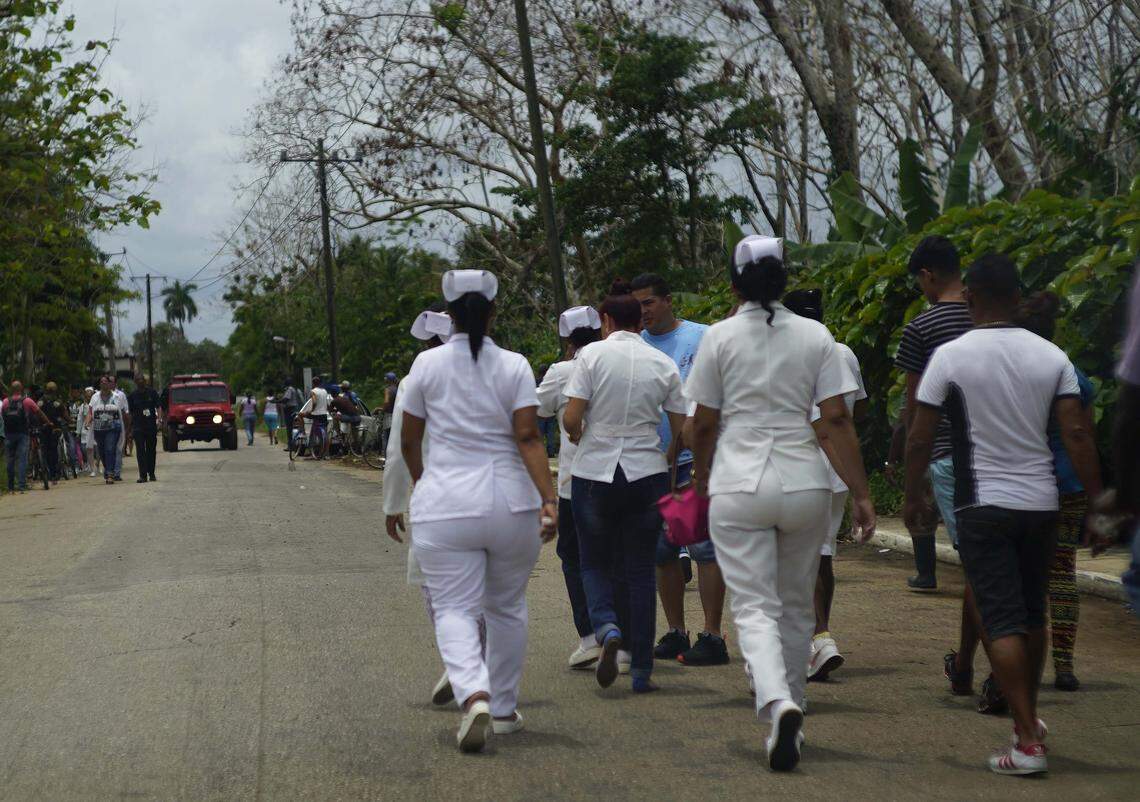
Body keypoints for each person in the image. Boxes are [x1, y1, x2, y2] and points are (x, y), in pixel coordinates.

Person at [904, 254, 1102, 776]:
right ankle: (1028, 725)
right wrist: (1101, 499)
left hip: (981, 503)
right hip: (1041, 502)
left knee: (1000, 619)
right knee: (1031, 612)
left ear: (970, 296)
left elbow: (921, 434)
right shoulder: (1052, 355)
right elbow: (1077, 434)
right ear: (1018, 297)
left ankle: (1027, 737)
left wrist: (913, 493)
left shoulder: (950, 356)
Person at [686, 236, 875, 772]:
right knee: (796, 603)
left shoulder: (719, 337)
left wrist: (700, 474)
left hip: (739, 483)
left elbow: (700, 422)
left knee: (753, 606)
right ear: (784, 280)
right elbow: (836, 419)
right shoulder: (817, 335)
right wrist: (861, 494)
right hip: (804, 482)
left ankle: (777, 701)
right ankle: (794, 706)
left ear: (734, 284)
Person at [401, 269, 557, 753]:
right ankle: (506, 709)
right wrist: (549, 499)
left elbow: (408, 439)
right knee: (506, 607)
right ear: (492, 312)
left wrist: (425, 483)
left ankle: (474, 693)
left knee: (453, 606)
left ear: (448, 315)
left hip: (446, 501)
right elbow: (529, 437)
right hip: (511, 503)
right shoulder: (515, 364)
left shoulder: (424, 368)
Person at [563, 280, 687, 694]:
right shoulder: (661, 363)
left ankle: (606, 625)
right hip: (646, 470)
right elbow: (680, 426)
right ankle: (641, 670)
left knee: (593, 561)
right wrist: (667, 463)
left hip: (596, 471)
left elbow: (571, 416)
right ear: (640, 321)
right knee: (639, 570)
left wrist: (580, 432)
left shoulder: (591, 355)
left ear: (606, 321)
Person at [896, 237, 1000, 710]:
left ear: (927, 276)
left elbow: (917, 405)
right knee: (983, 569)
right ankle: (965, 663)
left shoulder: (923, 326)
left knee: (982, 570)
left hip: (946, 454)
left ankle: (1002, 669)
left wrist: (908, 474)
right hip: (1005, 452)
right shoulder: (995, 318)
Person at [630, 272, 728, 667]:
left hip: (693, 461)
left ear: (669, 300)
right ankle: (675, 630)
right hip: (651, 463)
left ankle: (713, 634)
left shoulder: (703, 337)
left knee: (702, 546)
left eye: (649, 303)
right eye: (637, 306)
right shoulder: (633, 346)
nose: (643, 312)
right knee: (662, 549)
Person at [385, 305, 471, 706]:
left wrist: (394, 501)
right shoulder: (500, 367)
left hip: (436, 494)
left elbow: (402, 443)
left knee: (437, 587)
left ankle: (462, 665)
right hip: (488, 494)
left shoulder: (417, 375)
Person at [783, 289, 868, 682]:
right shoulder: (844, 352)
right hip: (839, 474)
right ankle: (820, 636)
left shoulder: (795, 353)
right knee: (823, 556)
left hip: (803, 468)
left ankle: (818, 638)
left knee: (801, 561)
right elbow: (855, 412)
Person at [1015, 291, 1097, 692]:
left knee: (1015, 576)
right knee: (1062, 573)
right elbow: (1084, 434)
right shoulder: (1072, 373)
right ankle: (1063, 665)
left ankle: (1013, 665)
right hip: (1068, 483)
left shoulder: (1014, 372)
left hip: (1022, 483)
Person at [537, 306, 607, 671]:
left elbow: (541, 409)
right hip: (622, 475)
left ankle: (591, 636)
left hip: (573, 481)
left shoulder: (562, 371)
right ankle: (621, 636)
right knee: (614, 558)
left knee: (576, 558)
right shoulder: (614, 362)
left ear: (567, 339)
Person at [2, 381, 52, 492]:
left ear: (11, 389)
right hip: (23, 434)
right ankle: (21, 485)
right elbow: (39, 413)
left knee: (10, 460)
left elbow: (3, 416)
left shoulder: (5, 402)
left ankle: (10, 487)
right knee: (22, 459)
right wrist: (48, 422)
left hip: (9, 434)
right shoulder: (27, 401)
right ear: (21, 389)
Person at [87, 376, 131, 485]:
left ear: (109, 383)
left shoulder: (117, 397)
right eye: (101, 382)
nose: (103, 384)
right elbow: (90, 411)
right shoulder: (94, 397)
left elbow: (123, 413)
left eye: (105, 382)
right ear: (99, 385)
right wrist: (87, 421)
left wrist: (126, 427)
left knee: (110, 448)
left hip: (113, 428)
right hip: (99, 428)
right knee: (102, 451)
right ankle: (108, 469)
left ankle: (111, 474)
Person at [128, 374, 162, 483]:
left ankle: (151, 473)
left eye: (142, 379)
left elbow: (159, 407)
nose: (140, 381)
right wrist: (129, 429)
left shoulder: (152, 393)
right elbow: (130, 413)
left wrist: (159, 420)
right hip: (138, 427)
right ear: (135, 382)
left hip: (151, 426)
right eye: (138, 380)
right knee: (140, 451)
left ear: (145, 381)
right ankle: (142, 475)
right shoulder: (132, 395)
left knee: (151, 450)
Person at [38, 382, 71, 484]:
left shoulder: (40, 401)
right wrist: (71, 421)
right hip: (55, 428)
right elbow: (65, 415)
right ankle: (54, 473)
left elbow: (36, 413)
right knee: (53, 450)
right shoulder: (58, 402)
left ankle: (47, 472)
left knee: (45, 450)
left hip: (43, 428)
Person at [297, 377, 331, 459]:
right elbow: (327, 404)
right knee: (325, 434)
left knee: (300, 414)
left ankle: (302, 432)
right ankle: (326, 454)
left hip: (315, 414)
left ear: (313, 383)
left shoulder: (313, 391)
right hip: (324, 414)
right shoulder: (325, 391)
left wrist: (311, 410)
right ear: (320, 383)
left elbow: (314, 402)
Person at [108, 376, 129, 480]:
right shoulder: (100, 395)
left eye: (111, 382)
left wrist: (126, 427)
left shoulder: (120, 395)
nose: (109, 383)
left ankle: (116, 473)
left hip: (118, 425)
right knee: (108, 450)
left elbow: (125, 411)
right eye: (108, 382)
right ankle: (109, 471)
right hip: (105, 427)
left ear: (115, 383)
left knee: (118, 449)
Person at [77, 387, 96, 477]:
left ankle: (97, 464)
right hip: (85, 430)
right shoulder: (82, 406)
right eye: (87, 396)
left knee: (97, 448)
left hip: (96, 428)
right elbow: (80, 419)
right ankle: (90, 466)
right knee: (86, 449)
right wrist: (78, 431)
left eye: (90, 396)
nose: (89, 398)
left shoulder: (96, 404)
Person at [281, 380, 304, 449]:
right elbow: (302, 401)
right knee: (296, 427)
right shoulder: (297, 390)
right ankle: (295, 444)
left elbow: (286, 399)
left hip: (290, 410)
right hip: (297, 409)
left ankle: (290, 446)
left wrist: (278, 401)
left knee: (289, 428)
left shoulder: (289, 389)